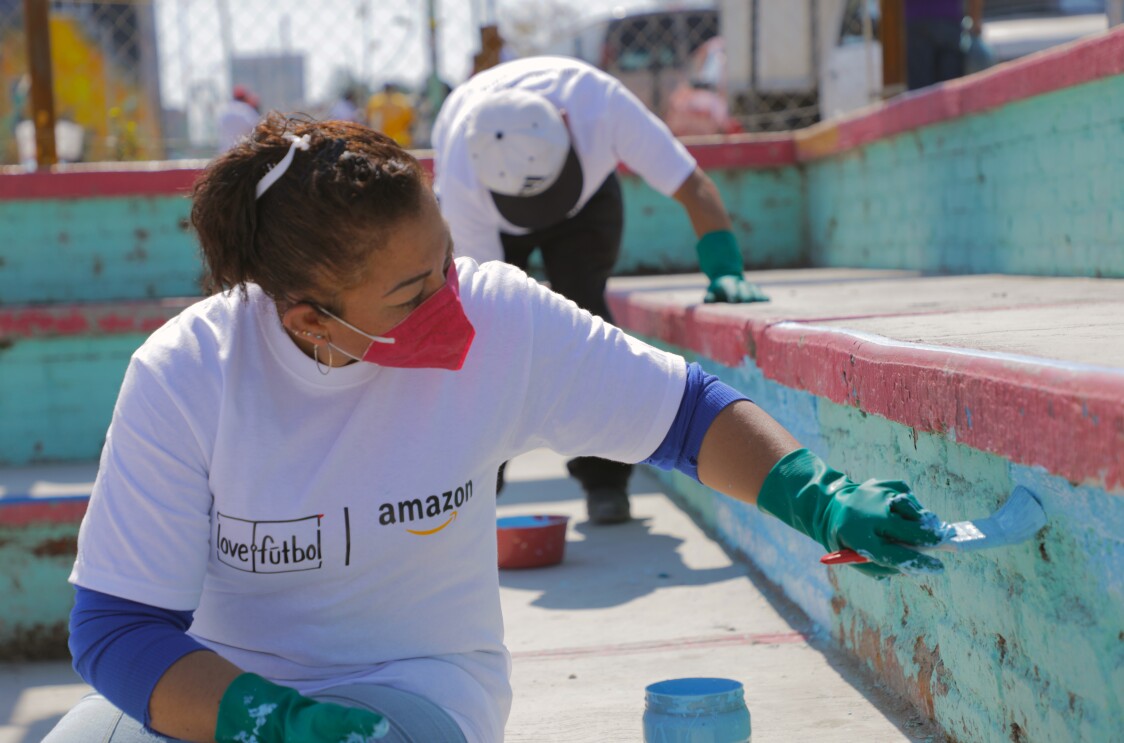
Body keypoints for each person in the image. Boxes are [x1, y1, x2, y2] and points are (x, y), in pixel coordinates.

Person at [44, 114, 948, 743]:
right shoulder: (188, 373)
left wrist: (821, 498)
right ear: (308, 318)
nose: (454, 304)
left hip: (414, 687)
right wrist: (266, 720)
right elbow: (118, 629)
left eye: (446, 261)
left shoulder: (505, 319)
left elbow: (685, 414)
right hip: (229, 700)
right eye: (413, 293)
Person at [430, 56, 770, 524]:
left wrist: (724, 267)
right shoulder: (463, 172)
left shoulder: (598, 103)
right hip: (496, 222)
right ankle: (479, 492)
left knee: (585, 313)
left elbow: (689, 184)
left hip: (587, 203)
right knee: (488, 340)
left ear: (568, 124)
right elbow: (481, 321)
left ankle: (605, 482)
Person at [904, 0, 985, 90]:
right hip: (948, 23)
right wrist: (975, 18)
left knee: (919, 91)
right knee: (950, 90)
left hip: (915, 22)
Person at [366, 82, 415, 147]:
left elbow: (371, 121)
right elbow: (409, 124)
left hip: (382, 140)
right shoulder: (402, 101)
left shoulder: (376, 101)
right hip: (399, 140)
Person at [217, 85, 261, 151]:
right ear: (244, 97)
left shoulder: (224, 109)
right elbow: (256, 128)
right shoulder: (246, 109)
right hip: (241, 151)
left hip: (225, 151)